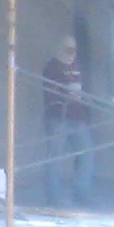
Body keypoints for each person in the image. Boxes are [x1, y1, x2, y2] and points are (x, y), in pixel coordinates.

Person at [41, 36, 96, 207]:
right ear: (60, 48)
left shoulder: (76, 66)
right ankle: (54, 196)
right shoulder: (51, 68)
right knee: (55, 159)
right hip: (58, 118)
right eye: (68, 49)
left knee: (86, 155)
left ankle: (82, 193)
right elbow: (49, 92)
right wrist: (65, 95)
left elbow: (82, 89)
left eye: (73, 49)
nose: (71, 53)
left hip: (78, 118)